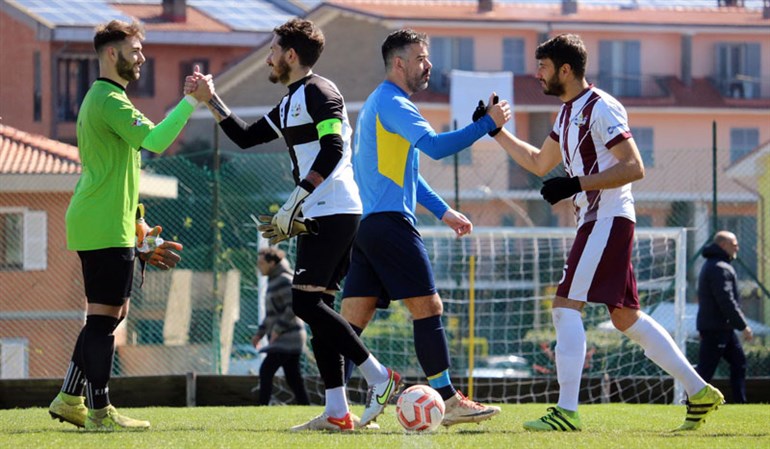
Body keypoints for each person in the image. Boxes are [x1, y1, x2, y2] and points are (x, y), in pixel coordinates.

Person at [484, 33, 723, 431]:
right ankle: (699, 391)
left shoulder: (601, 107)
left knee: (564, 307)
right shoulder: (565, 113)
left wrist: (576, 185)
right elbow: (540, 162)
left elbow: (634, 166)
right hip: (598, 221)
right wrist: (496, 131)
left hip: (607, 219)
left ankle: (566, 411)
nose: (536, 74)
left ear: (565, 69)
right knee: (626, 317)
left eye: (543, 67)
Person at [186, 18, 398, 431]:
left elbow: (334, 147)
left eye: (272, 49)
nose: (267, 57)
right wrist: (211, 100)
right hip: (319, 212)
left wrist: (294, 201)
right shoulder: (289, 101)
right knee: (319, 308)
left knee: (304, 304)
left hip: (331, 210)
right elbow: (246, 137)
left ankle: (379, 376)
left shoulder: (320, 91)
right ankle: (337, 412)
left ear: (291, 55)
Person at [339, 28, 510, 427]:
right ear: (399, 64)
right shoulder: (394, 102)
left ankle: (336, 408)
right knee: (428, 308)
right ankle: (448, 400)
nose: (427, 64)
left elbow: (408, 173)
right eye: (420, 58)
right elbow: (434, 146)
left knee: (350, 324)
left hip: (365, 229)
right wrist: (487, 123)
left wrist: (444, 211)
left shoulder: (379, 104)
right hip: (388, 225)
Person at [47, 19, 209, 431]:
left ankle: (70, 398)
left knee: (110, 315)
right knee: (104, 320)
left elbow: (123, 172)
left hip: (105, 222)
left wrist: (137, 225)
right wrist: (192, 102)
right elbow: (154, 141)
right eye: (134, 49)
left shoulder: (106, 98)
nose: (141, 56)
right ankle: (99, 411)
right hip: (100, 223)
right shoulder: (109, 100)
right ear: (111, 53)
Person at [696, 230, 753, 404]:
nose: (737, 247)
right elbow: (726, 300)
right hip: (716, 329)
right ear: (723, 245)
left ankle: (740, 403)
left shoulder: (716, 265)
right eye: (734, 243)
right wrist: (743, 326)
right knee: (705, 370)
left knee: (739, 362)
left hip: (722, 328)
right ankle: (690, 401)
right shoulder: (719, 268)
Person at [253, 247, 310, 406]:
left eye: (262, 263)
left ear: (272, 263)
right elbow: (271, 314)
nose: (259, 266)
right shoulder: (273, 280)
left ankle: (262, 407)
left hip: (289, 337)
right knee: (293, 377)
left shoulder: (284, 279)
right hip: (285, 336)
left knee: (266, 370)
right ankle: (305, 406)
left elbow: (293, 307)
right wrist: (260, 333)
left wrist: (277, 329)